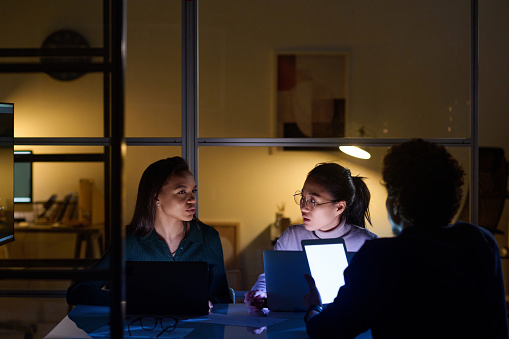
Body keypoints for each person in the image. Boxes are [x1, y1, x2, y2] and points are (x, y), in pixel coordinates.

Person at [304, 139, 509, 338]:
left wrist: (313, 308)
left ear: (395, 204)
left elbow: (329, 330)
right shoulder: (481, 242)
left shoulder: (380, 257)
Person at [66, 157, 232, 308]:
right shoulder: (130, 243)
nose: (192, 199)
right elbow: (78, 290)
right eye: (182, 192)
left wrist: (207, 302)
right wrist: (128, 302)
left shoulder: (209, 238)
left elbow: (223, 298)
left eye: (193, 191)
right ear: (156, 196)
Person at [245, 162, 377, 311]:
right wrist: (260, 294)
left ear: (339, 207)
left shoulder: (367, 243)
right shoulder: (291, 236)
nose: (303, 207)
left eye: (313, 200)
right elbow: (271, 277)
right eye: (302, 197)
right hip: (291, 323)